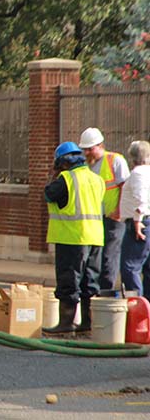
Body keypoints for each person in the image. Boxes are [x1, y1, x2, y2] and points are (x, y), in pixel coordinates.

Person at [43, 141, 105, 334]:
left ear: (62, 162)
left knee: (69, 280)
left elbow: (49, 194)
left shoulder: (66, 179)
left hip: (72, 238)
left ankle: (66, 323)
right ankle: (87, 324)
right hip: (95, 237)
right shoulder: (97, 179)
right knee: (90, 280)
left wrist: (54, 175)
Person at [79, 127, 129, 292]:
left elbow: (125, 187)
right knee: (96, 257)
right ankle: (95, 291)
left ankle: (106, 292)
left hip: (113, 218)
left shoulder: (115, 160)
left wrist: (119, 210)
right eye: (84, 149)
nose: (87, 153)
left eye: (90, 149)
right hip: (95, 218)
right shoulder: (87, 165)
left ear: (100, 145)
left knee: (109, 257)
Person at [119, 140, 150, 300]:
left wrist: (137, 222)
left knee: (130, 267)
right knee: (147, 268)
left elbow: (141, 199)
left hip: (140, 223)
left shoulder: (138, 173)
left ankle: (136, 305)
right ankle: (147, 310)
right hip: (146, 221)